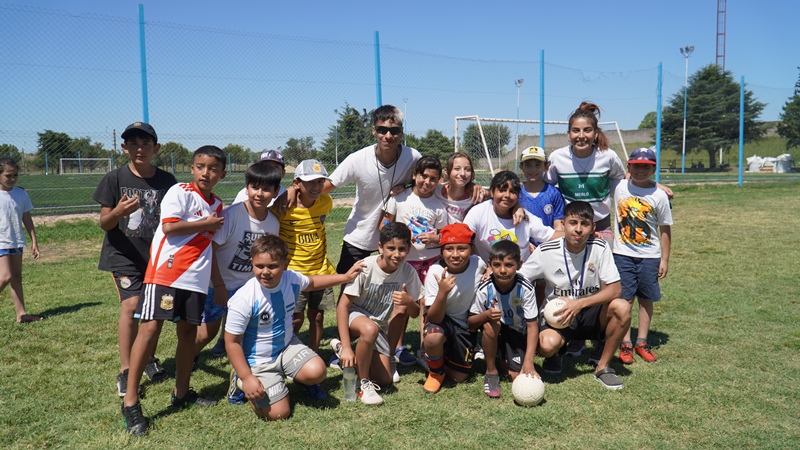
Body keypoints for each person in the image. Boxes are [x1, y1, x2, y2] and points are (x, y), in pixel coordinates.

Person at [121, 145, 226, 436]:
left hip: (196, 280)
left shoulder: (217, 205)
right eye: (200, 166)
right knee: (150, 329)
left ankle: (182, 393)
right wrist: (205, 222)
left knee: (188, 335)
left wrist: (217, 282)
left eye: (213, 168)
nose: (206, 172)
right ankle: (130, 401)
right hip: (166, 274)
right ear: (192, 169)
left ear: (222, 173)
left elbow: (209, 248)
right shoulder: (180, 191)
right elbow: (169, 228)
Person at [318, 105, 421, 370]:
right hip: (359, 238)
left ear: (401, 132)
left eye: (394, 130)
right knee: (350, 294)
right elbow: (328, 185)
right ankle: (344, 345)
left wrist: (407, 185)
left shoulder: (412, 156)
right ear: (374, 130)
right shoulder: (357, 159)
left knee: (396, 292)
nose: (388, 135)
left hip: (392, 241)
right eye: (383, 130)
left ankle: (396, 346)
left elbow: (428, 178)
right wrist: (294, 194)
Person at [224, 235, 364, 421]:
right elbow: (231, 342)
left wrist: (345, 277)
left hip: (287, 347)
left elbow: (312, 282)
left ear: (285, 263)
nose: (266, 272)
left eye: (273, 266)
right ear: (252, 263)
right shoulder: (244, 299)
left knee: (318, 371)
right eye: (259, 266)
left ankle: (292, 378)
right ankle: (240, 380)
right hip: (259, 360)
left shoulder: (291, 279)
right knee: (279, 414)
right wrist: (248, 378)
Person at [92, 122, 175, 396]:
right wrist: (117, 211)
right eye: (134, 144)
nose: (140, 149)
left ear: (156, 148)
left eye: (146, 144)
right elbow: (105, 223)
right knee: (132, 306)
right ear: (124, 147)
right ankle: (127, 369)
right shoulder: (114, 178)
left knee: (155, 311)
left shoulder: (167, 181)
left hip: (156, 257)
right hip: (123, 255)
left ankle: (148, 359)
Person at [194, 160, 282, 401]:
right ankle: (187, 358)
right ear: (247, 188)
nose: (260, 194)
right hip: (219, 285)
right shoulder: (232, 215)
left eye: (266, 189)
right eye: (255, 187)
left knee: (244, 336)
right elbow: (210, 249)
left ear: (276, 192)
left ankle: (240, 379)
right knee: (206, 334)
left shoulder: (273, 223)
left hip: (249, 290)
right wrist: (219, 286)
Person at [520, 201, 631, 390]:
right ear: (563, 224)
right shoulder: (546, 251)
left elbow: (615, 289)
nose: (578, 229)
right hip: (559, 315)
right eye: (573, 223)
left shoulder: (600, 247)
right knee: (547, 345)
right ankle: (556, 353)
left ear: (593, 227)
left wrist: (579, 304)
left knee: (622, 307)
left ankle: (602, 367)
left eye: (584, 224)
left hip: (591, 313)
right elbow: (520, 279)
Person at [332, 223, 422, 405]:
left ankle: (349, 353)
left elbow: (415, 313)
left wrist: (409, 301)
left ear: (409, 249)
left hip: (377, 325)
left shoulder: (408, 272)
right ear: (380, 247)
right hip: (355, 316)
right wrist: (350, 346)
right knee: (369, 328)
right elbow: (342, 306)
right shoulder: (366, 266)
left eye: (402, 249)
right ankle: (362, 384)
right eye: (391, 248)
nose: (396, 254)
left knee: (384, 380)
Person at [381, 155, 448, 373]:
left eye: (433, 178)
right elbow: (386, 224)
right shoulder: (399, 198)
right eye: (423, 176)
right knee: (400, 305)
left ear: (438, 181)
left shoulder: (438, 206)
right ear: (414, 175)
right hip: (403, 262)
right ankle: (396, 349)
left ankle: (425, 351)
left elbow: (443, 235)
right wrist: (394, 241)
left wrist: (436, 238)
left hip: (429, 261)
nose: (427, 182)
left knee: (425, 306)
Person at [612, 148, 673, 364]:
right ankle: (625, 343)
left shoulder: (659, 196)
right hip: (622, 254)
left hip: (650, 256)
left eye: (646, 166)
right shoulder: (619, 187)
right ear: (628, 167)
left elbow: (665, 229)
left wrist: (664, 259)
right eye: (636, 165)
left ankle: (642, 341)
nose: (640, 170)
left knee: (646, 299)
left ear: (653, 169)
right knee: (625, 299)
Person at [280, 160, 336, 369]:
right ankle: (289, 355)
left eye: (320, 181)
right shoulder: (284, 207)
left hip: (321, 271)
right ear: (297, 182)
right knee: (295, 319)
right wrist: (288, 192)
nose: (316, 187)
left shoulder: (325, 202)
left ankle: (313, 354)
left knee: (318, 316)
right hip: (294, 273)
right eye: (310, 182)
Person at [420, 223, 487, 394]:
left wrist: (491, 271)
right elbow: (433, 318)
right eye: (449, 249)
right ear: (441, 251)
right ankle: (436, 371)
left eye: (461, 248)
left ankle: (438, 356)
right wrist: (442, 292)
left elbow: (488, 268)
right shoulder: (435, 272)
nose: (455, 254)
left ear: (472, 249)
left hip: (465, 325)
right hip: (442, 320)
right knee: (433, 338)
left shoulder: (477, 263)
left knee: (459, 377)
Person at [468, 240, 539, 398]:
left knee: (516, 376)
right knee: (490, 325)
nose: (502, 270)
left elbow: (532, 326)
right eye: (497, 265)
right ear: (489, 264)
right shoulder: (484, 287)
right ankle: (491, 372)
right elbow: (470, 323)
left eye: (509, 265)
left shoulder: (525, 288)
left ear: (519, 265)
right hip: (494, 330)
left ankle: (504, 356)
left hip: (516, 331)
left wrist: (529, 361)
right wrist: (486, 315)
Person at [463, 170, 558, 263]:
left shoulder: (525, 217)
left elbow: (551, 235)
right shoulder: (478, 213)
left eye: (512, 192)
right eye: (502, 190)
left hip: (520, 273)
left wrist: (571, 233)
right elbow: (463, 240)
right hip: (488, 273)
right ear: (492, 192)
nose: (507, 195)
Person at [0, 157, 42, 323]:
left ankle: (21, 315)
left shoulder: (21, 193)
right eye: (8, 175)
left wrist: (34, 241)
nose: (12, 179)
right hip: (1, 242)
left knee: (17, 277)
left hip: (16, 240)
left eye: (15, 175)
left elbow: (27, 218)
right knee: (5, 276)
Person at [517, 146, 565, 244]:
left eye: (538, 165)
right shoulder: (517, 193)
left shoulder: (554, 193)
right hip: (523, 248)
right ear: (521, 167)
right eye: (528, 165)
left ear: (546, 166)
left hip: (547, 247)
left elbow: (558, 226)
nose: (533, 169)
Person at [433, 152, 484, 223]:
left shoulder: (476, 197)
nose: (463, 173)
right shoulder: (435, 190)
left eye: (467, 169)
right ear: (446, 171)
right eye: (457, 169)